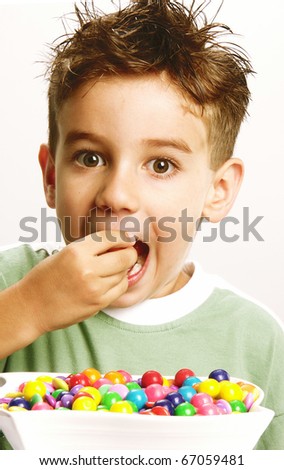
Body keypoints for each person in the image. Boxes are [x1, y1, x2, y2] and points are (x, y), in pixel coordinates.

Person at [0, 0, 283, 450]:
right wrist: (27, 309)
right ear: (52, 177)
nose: (116, 195)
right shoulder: (12, 285)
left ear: (218, 190)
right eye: (90, 157)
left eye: (161, 164)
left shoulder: (255, 340)